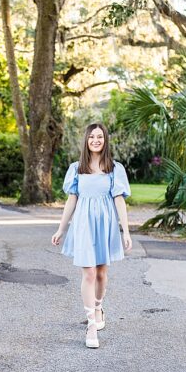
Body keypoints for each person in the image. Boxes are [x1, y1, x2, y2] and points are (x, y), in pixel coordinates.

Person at [51, 123, 132, 349]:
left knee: (101, 273)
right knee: (88, 273)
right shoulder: (77, 168)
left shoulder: (115, 168)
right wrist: (61, 229)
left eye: (100, 137)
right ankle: (90, 325)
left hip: (105, 224)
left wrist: (126, 231)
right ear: (86, 140)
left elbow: (119, 200)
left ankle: (98, 307)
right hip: (84, 225)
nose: (95, 140)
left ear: (105, 140)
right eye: (92, 137)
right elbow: (71, 200)